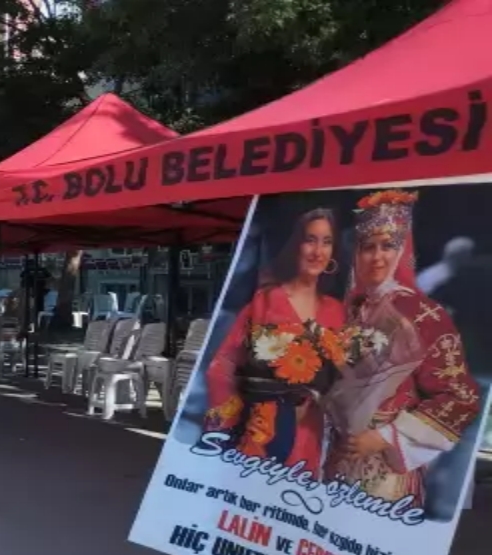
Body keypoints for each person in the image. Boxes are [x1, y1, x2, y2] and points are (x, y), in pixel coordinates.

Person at [323, 190, 482, 509]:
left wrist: (384, 437)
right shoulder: (347, 309)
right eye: (368, 247)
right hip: (335, 455)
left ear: (403, 251)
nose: (377, 257)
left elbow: (460, 398)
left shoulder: (423, 313)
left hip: (385, 468)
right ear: (355, 253)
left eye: (388, 246)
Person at [204, 208, 346, 474]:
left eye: (326, 242)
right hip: (262, 430)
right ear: (296, 245)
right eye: (310, 240)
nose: (317, 251)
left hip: (314, 434)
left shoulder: (337, 311)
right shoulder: (266, 301)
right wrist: (236, 416)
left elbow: (348, 376)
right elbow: (222, 366)